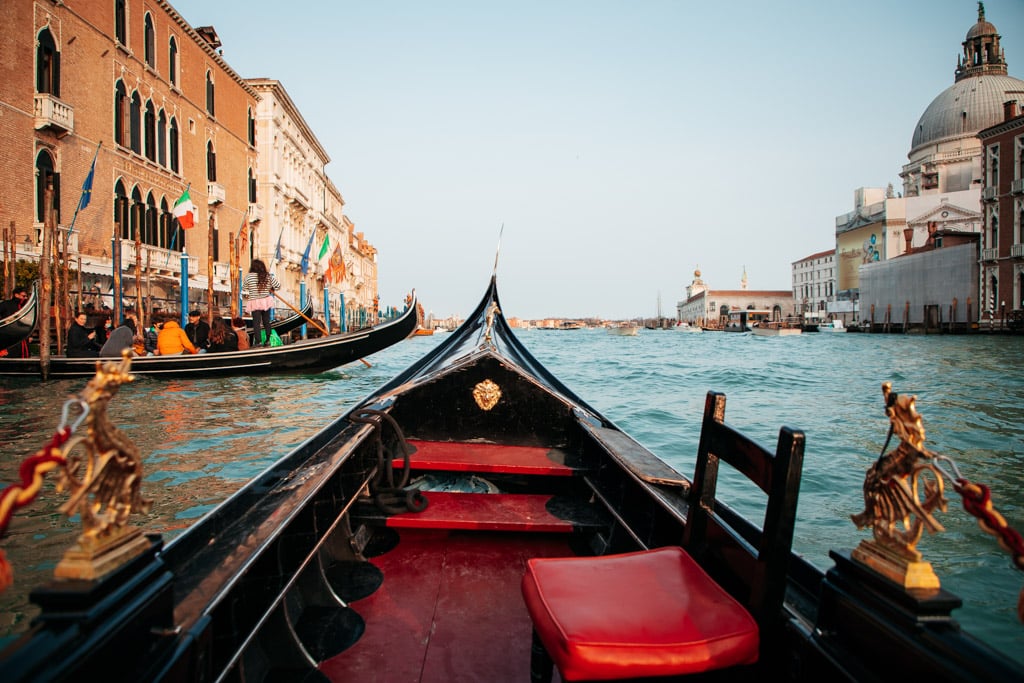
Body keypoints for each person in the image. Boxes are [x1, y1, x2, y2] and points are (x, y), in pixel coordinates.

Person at [242, 259, 281, 347]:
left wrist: (252, 287)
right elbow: (278, 286)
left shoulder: (249, 277)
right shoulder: (267, 276)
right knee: (266, 322)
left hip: (255, 301)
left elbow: (244, 288)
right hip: (265, 301)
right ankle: (267, 341)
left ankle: (258, 342)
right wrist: (270, 288)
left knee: (256, 323)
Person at [0, 286, 30, 358]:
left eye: (26, 296)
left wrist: (30, 335)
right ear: (16, 295)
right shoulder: (6, 304)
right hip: (8, 336)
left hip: (22, 336)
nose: (25, 298)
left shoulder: (25, 307)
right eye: (23, 296)